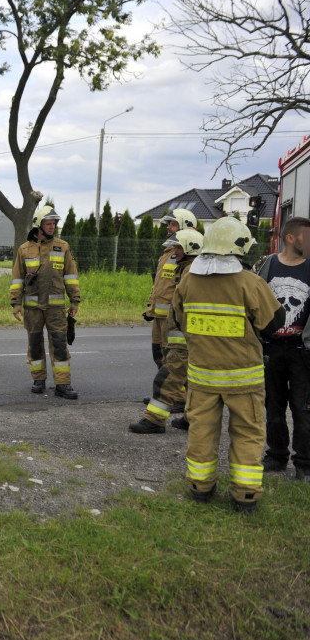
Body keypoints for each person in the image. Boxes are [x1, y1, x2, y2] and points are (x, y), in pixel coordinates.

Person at [173, 217, 284, 513]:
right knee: (248, 434)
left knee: (201, 433)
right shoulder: (250, 283)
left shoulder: (188, 281)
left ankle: (200, 488)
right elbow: (274, 324)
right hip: (243, 381)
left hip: (201, 379)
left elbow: (178, 320)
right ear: (239, 249)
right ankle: (245, 497)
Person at [129, 229, 203, 433]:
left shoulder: (192, 271)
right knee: (192, 380)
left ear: (191, 248)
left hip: (185, 336)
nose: (175, 251)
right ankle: (191, 418)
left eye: (179, 247)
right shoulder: (187, 268)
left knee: (167, 378)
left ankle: (154, 420)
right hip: (186, 334)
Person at [255, 216, 310, 483]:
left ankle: (305, 464)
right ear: (291, 238)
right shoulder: (267, 266)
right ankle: (276, 455)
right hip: (271, 349)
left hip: (302, 353)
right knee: (273, 406)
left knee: (303, 409)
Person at [10, 205, 81, 399]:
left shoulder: (62, 247)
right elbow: (17, 278)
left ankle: (63, 384)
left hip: (56, 309)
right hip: (32, 309)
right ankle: (38, 380)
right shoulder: (24, 249)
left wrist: (75, 301)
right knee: (35, 344)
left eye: (54, 223)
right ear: (38, 225)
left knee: (59, 344)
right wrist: (15, 304)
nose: (52, 227)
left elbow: (71, 276)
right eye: (48, 223)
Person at [144, 208, 198, 368]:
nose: (168, 227)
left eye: (173, 224)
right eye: (169, 224)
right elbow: (159, 285)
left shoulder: (190, 257)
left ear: (186, 228)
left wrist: (176, 315)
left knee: (174, 360)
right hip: (159, 318)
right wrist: (150, 308)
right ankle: (162, 393)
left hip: (173, 319)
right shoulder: (169, 253)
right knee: (159, 357)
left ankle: (175, 394)